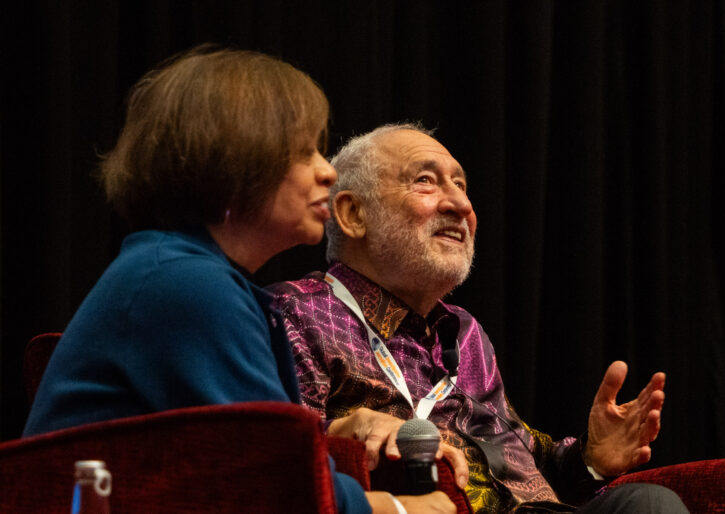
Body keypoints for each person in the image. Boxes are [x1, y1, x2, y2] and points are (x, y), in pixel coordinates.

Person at [23, 48, 457, 514]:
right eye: (304, 151)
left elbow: (240, 454)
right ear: (234, 161)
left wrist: (330, 433)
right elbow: (278, 483)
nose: (327, 171)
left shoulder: (185, 274)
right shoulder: (187, 284)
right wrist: (404, 508)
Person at [268, 124, 690, 513]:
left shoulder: (464, 331)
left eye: (461, 185)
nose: (461, 204)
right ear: (353, 214)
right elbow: (270, 460)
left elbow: (515, 451)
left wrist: (590, 458)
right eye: (426, 181)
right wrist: (339, 429)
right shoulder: (297, 313)